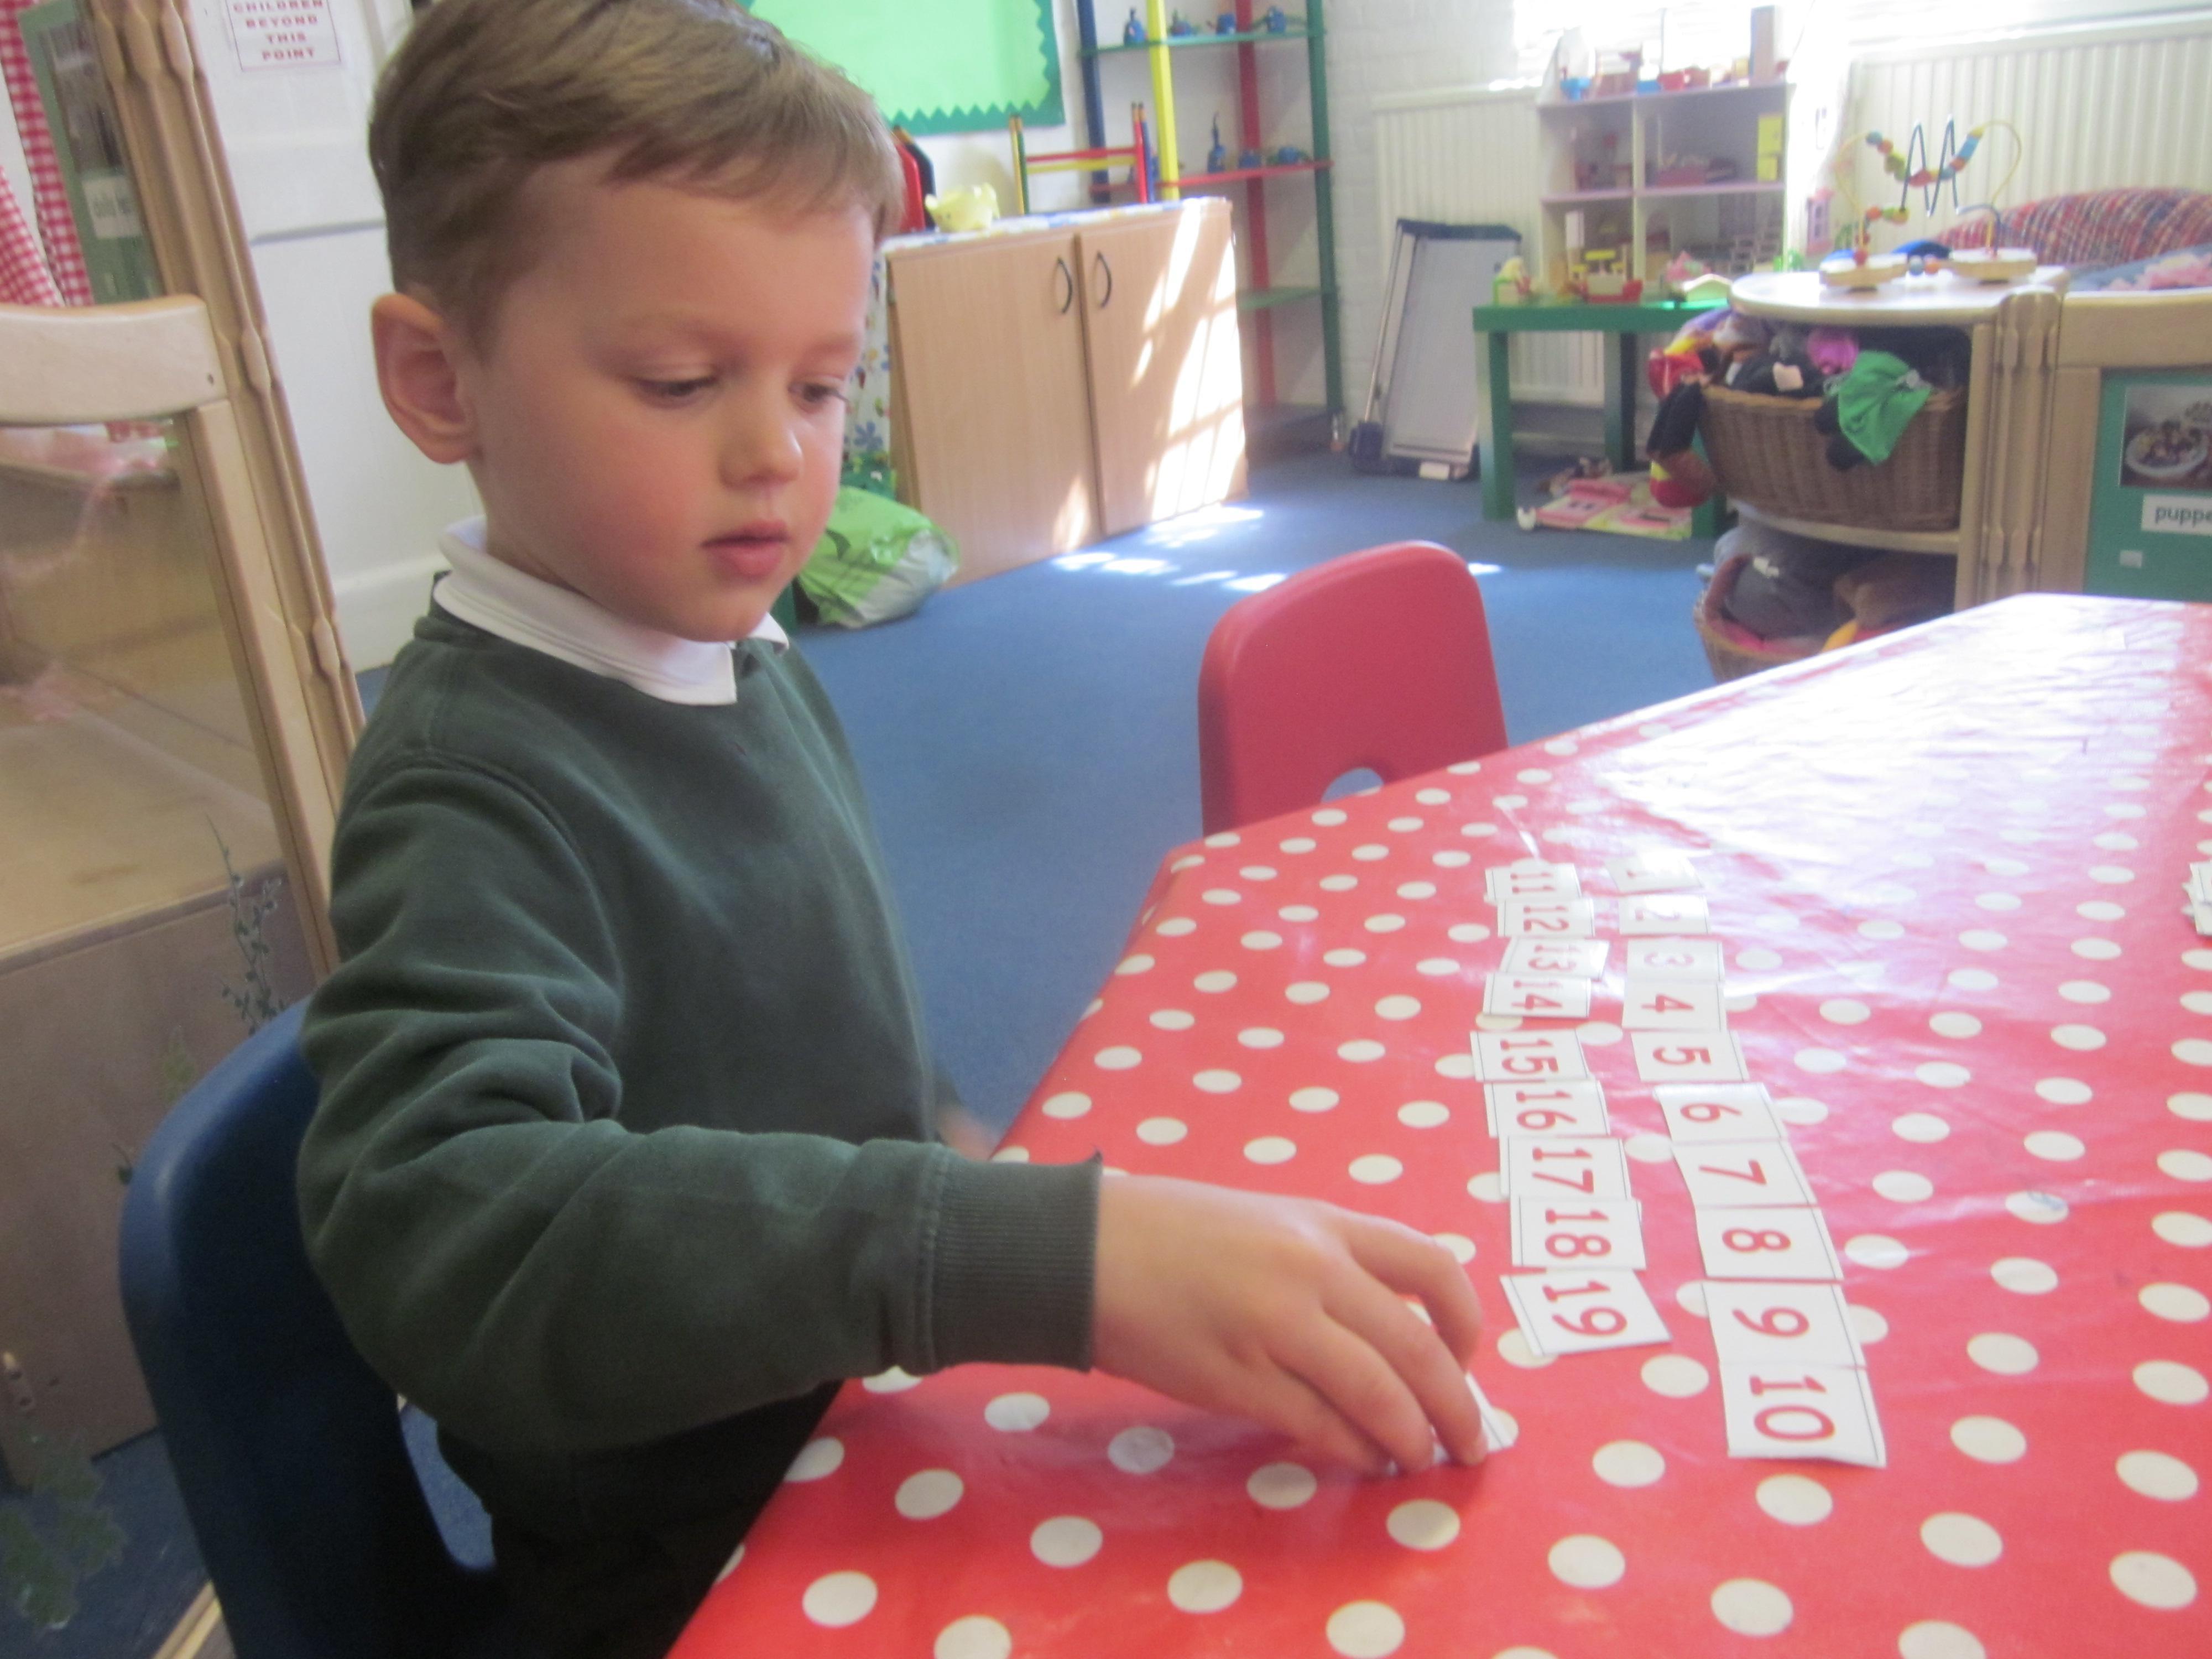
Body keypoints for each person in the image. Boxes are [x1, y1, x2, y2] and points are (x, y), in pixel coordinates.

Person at [299, 2, 1486, 1653]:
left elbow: (818, 1044)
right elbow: (449, 1232)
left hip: (861, 1421)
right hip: (695, 1570)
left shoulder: (729, 645)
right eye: (681, 382)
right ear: (441, 381)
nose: (774, 457)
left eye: (820, 385)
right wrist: (1013, 1256)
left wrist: (971, 1166)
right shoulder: (470, 787)